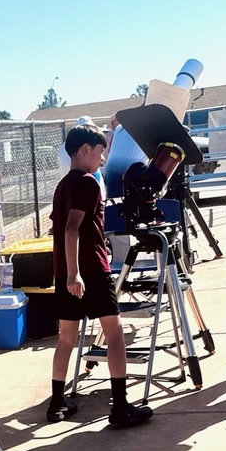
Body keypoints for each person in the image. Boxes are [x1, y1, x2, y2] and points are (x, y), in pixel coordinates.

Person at [46, 122, 154, 429]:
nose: (103, 159)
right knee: (115, 333)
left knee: (67, 338)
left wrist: (66, 274)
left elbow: (59, 227)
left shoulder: (63, 185)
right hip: (89, 271)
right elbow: (70, 228)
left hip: (68, 272)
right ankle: (120, 407)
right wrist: (74, 274)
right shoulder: (89, 183)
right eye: (100, 152)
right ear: (85, 151)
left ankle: (56, 404)